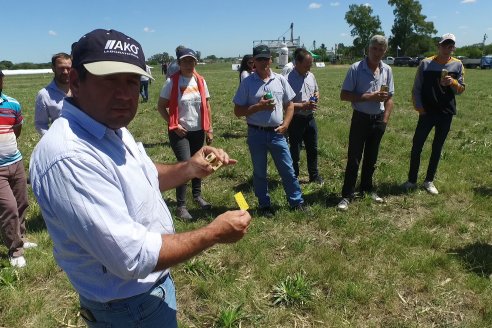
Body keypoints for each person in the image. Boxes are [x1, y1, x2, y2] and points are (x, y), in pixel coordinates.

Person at [29, 29, 251, 327]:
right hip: (127, 309)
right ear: (76, 82)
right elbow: (131, 257)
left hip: (145, 296)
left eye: (133, 81)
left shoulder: (108, 126)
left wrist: (188, 168)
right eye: (109, 80)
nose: (124, 94)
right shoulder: (70, 156)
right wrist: (213, 233)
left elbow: (142, 175)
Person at [233, 44, 305, 215]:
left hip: (277, 133)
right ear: (253, 62)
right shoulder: (247, 83)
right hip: (256, 133)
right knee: (259, 172)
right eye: (259, 59)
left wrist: (286, 124)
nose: (264, 62)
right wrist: (258, 107)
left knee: (288, 169)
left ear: (271, 60)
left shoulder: (280, 80)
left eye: (266, 59)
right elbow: (237, 111)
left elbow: (290, 105)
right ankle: (264, 205)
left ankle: (296, 202)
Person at [402, 33, 465, 195]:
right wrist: (420, 109)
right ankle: (411, 180)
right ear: (439, 46)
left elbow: (461, 90)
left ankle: (429, 181)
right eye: (445, 45)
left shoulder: (458, 65)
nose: (447, 48)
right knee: (417, 145)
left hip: (446, 113)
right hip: (427, 112)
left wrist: (453, 82)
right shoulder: (425, 63)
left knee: (437, 147)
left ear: (454, 48)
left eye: (451, 46)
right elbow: (416, 88)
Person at [337, 35, 394, 211]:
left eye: (381, 49)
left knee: (372, 158)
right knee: (354, 158)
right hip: (360, 118)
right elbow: (344, 95)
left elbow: (390, 98)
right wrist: (371, 96)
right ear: (368, 49)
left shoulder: (387, 70)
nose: (377, 53)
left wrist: (384, 121)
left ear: (385, 51)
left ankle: (366, 189)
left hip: (378, 119)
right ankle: (346, 195)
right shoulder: (356, 68)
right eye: (374, 49)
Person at [157, 47, 214, 221]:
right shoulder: (171, 82)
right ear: (179, 63)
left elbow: (207, 105)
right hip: (180, 132)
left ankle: (197, 196)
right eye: (185, 61)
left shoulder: (200, 81)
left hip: (198, 130)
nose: (188, 64)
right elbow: (161, 106)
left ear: (195, 63)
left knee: (200, 163)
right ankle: (181, 206)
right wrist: (173, 124)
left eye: (191, 61)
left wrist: (209, 128)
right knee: (185, 165)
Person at [0, 70, 36, 268]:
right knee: (9, 208)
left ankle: (19, 237)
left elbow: (17, 130)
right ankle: (15, 250)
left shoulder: (12, 103)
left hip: (16, 162)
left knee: (21, 203)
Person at [286, 48, 323, 185]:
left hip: (310, 118)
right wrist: (303, 106)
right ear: (297, 63)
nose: (309, 67)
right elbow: (285, 105)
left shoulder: (310, 76)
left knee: (312, 148)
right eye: (306, 65)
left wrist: (316, 97)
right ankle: (294, 177)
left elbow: (316, 90)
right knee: (295, 150)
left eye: (310, 64)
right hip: (296, 119)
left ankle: (314, 176)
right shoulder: (288, 79)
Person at [34, 52, 72, 136]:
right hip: (61, 141)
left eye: (68, 68)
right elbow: (40, 124)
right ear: (53, 68)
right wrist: (52, 140)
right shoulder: (44, 95)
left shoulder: (81, 90)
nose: (65, 72)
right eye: (61, 68)